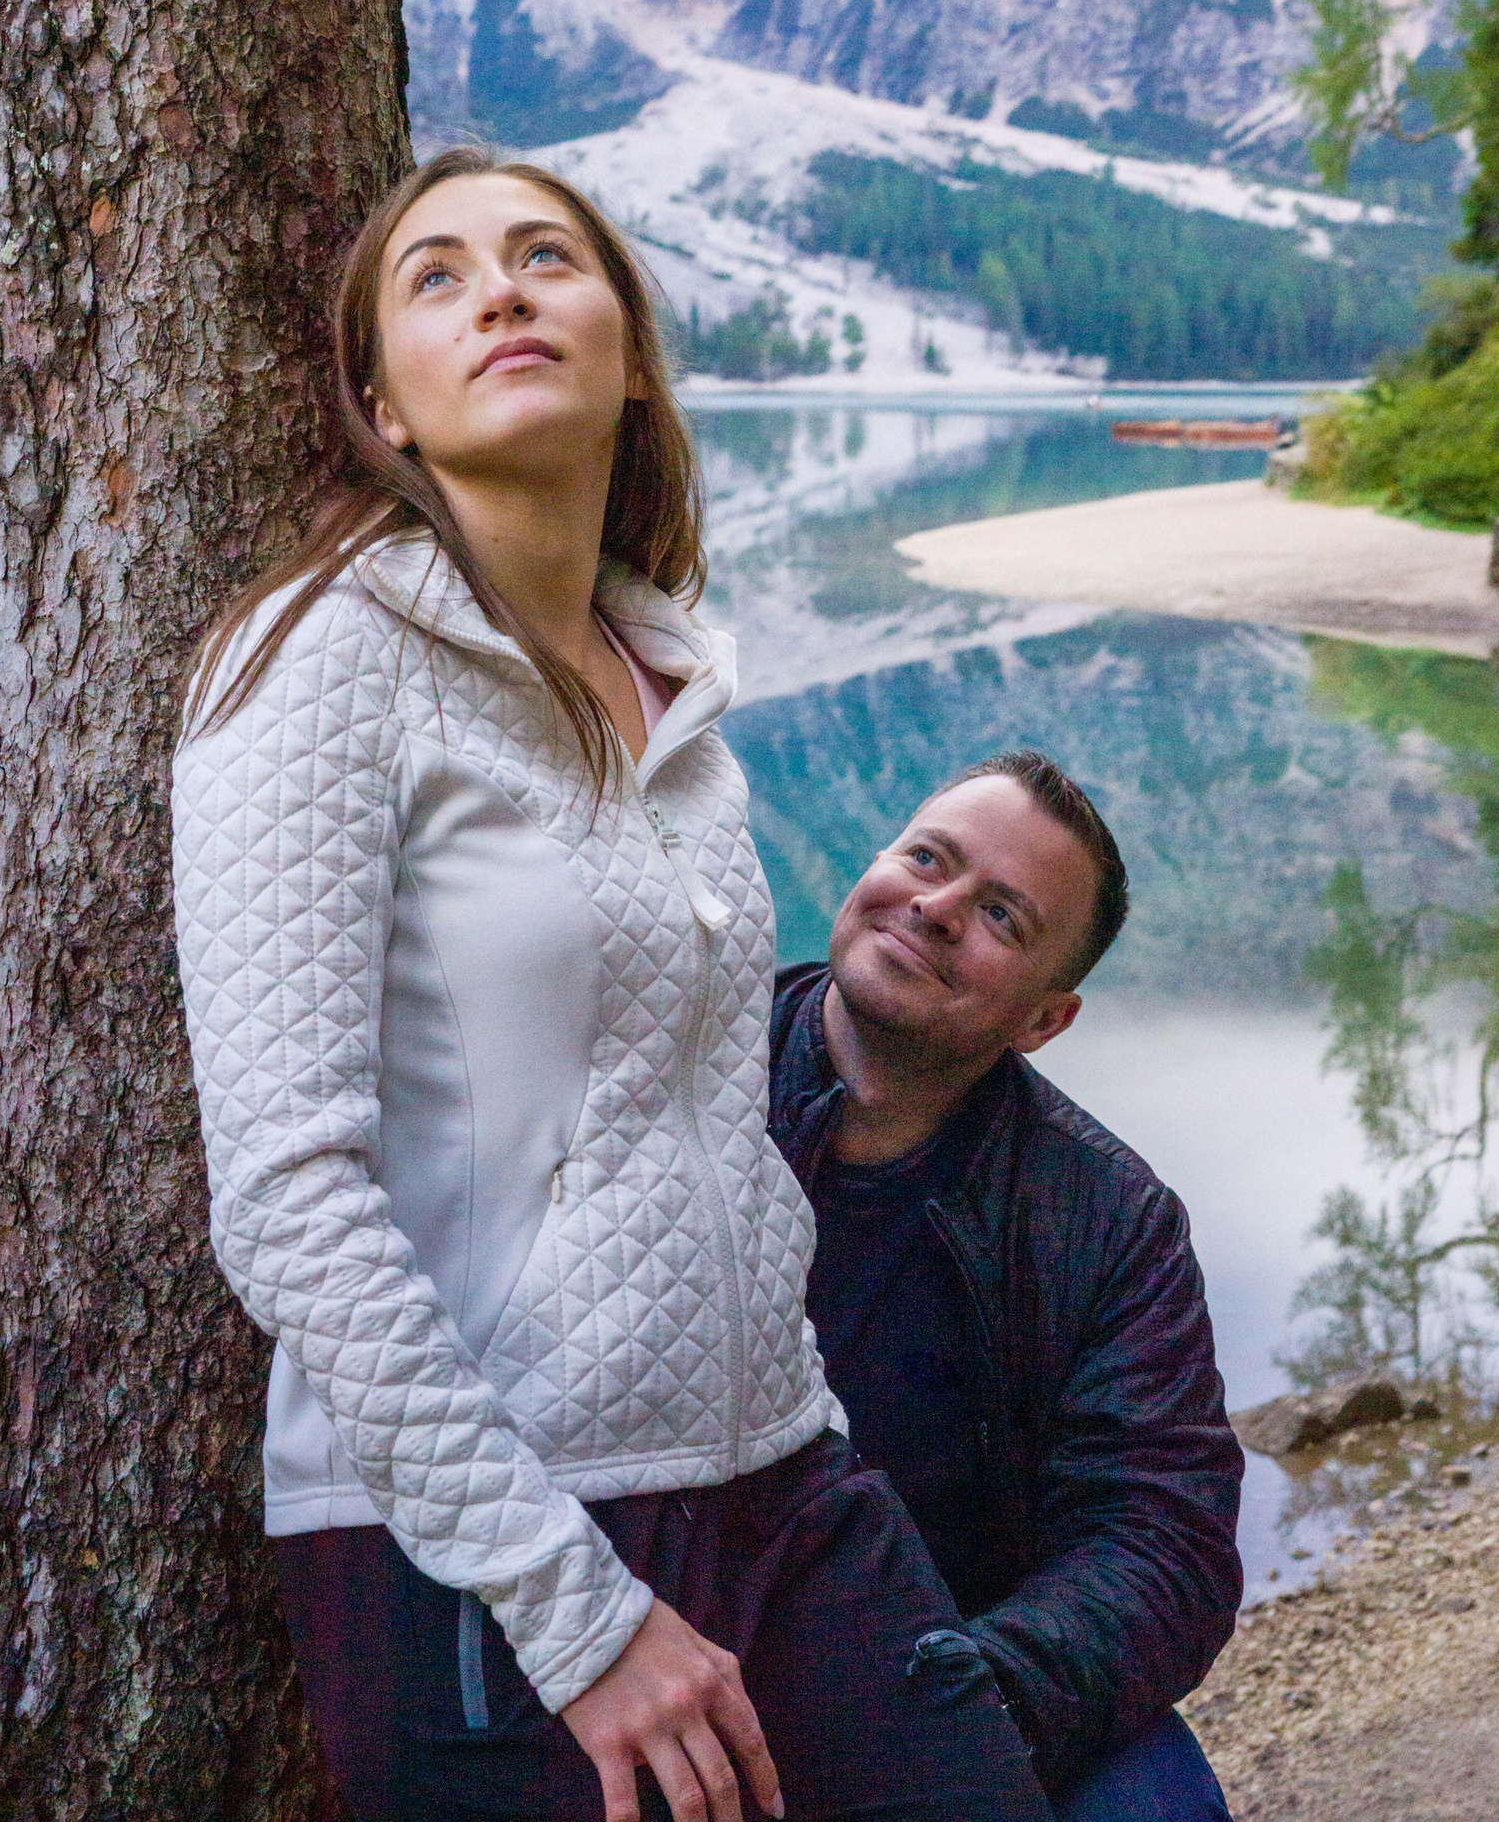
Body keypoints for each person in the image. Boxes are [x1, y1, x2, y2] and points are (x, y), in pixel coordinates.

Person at [172, 149, 1058, 1822]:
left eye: (544, 258)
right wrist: (573, 1613)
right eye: (434, 277)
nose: (499, 289)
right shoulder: (310, 665)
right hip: (482, 1546)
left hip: (784, 1479)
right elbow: (287, 1200)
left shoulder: (677, 686)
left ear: (631, 353)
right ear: (385, 405)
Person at [768, 756, 1242, 1822]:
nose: (933, 908)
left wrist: (955, 1702)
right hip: (675, 1650)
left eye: (1000, 915)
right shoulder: (669, 1070)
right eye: (925, 858)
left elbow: (1162, 1539)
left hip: (963, 1670)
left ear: (1042, 1020)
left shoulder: (1109, 1221)